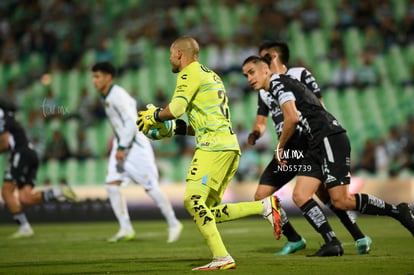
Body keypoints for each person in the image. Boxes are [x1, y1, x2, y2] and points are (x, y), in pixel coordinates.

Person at [242, 55, 414, 256]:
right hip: (316, 143)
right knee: (300, 195)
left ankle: (398, 212)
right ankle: (332, 242)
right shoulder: (278, 85)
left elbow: (292, 118)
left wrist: (280, 147)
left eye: (251, 72)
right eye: (245, 75)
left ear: (265, 70)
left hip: (329, 137)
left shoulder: (278, 82)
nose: (249, 78)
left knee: (341, 200)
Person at [136, 36, 282, 271]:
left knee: (192, 201)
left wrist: (155, 116)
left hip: (213, 147)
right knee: (207, 211)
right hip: (227, 146)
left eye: (171, 54)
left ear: (180, 54)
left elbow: (176, 109)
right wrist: (170, 129)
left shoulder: (189, 73)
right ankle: (264, 207)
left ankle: (222, 257)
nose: (170, 59)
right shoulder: (210, 75)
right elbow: (203, 122)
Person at [251, 41, 372, 255]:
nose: (261, 64)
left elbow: (319, 104)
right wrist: (256, 133)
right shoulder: (263, 89)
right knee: (261, 195)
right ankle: (295, 238)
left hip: (308, 142)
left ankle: (356, 235)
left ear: (273, 57)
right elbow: (261, 121)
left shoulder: (299, 74)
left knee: (325, 194)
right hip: (288, 148)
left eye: (264, 58)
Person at [91, 62, 183, 243]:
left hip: (134, 146)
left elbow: (133, 122)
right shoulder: (106, 95)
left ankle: (173, 223)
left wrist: (122, 147)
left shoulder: (117, 96)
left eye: (98, 76)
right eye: (93, 77)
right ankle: (125, 229)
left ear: (108, 77)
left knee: (150, 187)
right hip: (122, 144)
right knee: (111, 185)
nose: (94, 81)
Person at [0, 106, 78, 238]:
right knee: (26, 198)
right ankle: (59, 191)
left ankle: (24, 227)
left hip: (21, 153)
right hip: (30, 154)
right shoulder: (7, 116)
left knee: (6, 191)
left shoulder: (2, 119)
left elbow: (5, 143)